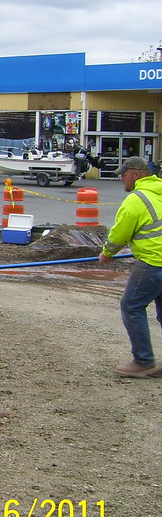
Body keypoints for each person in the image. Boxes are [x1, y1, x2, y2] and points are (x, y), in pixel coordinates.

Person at [99, 156, 162, 378]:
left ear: (135, 174)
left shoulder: (137, 199)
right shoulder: (159, 192)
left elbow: (120, 233)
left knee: (132, 306)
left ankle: (143, 360)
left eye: (123, 175)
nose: (121, 179)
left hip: (154, 261)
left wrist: (107, 253)